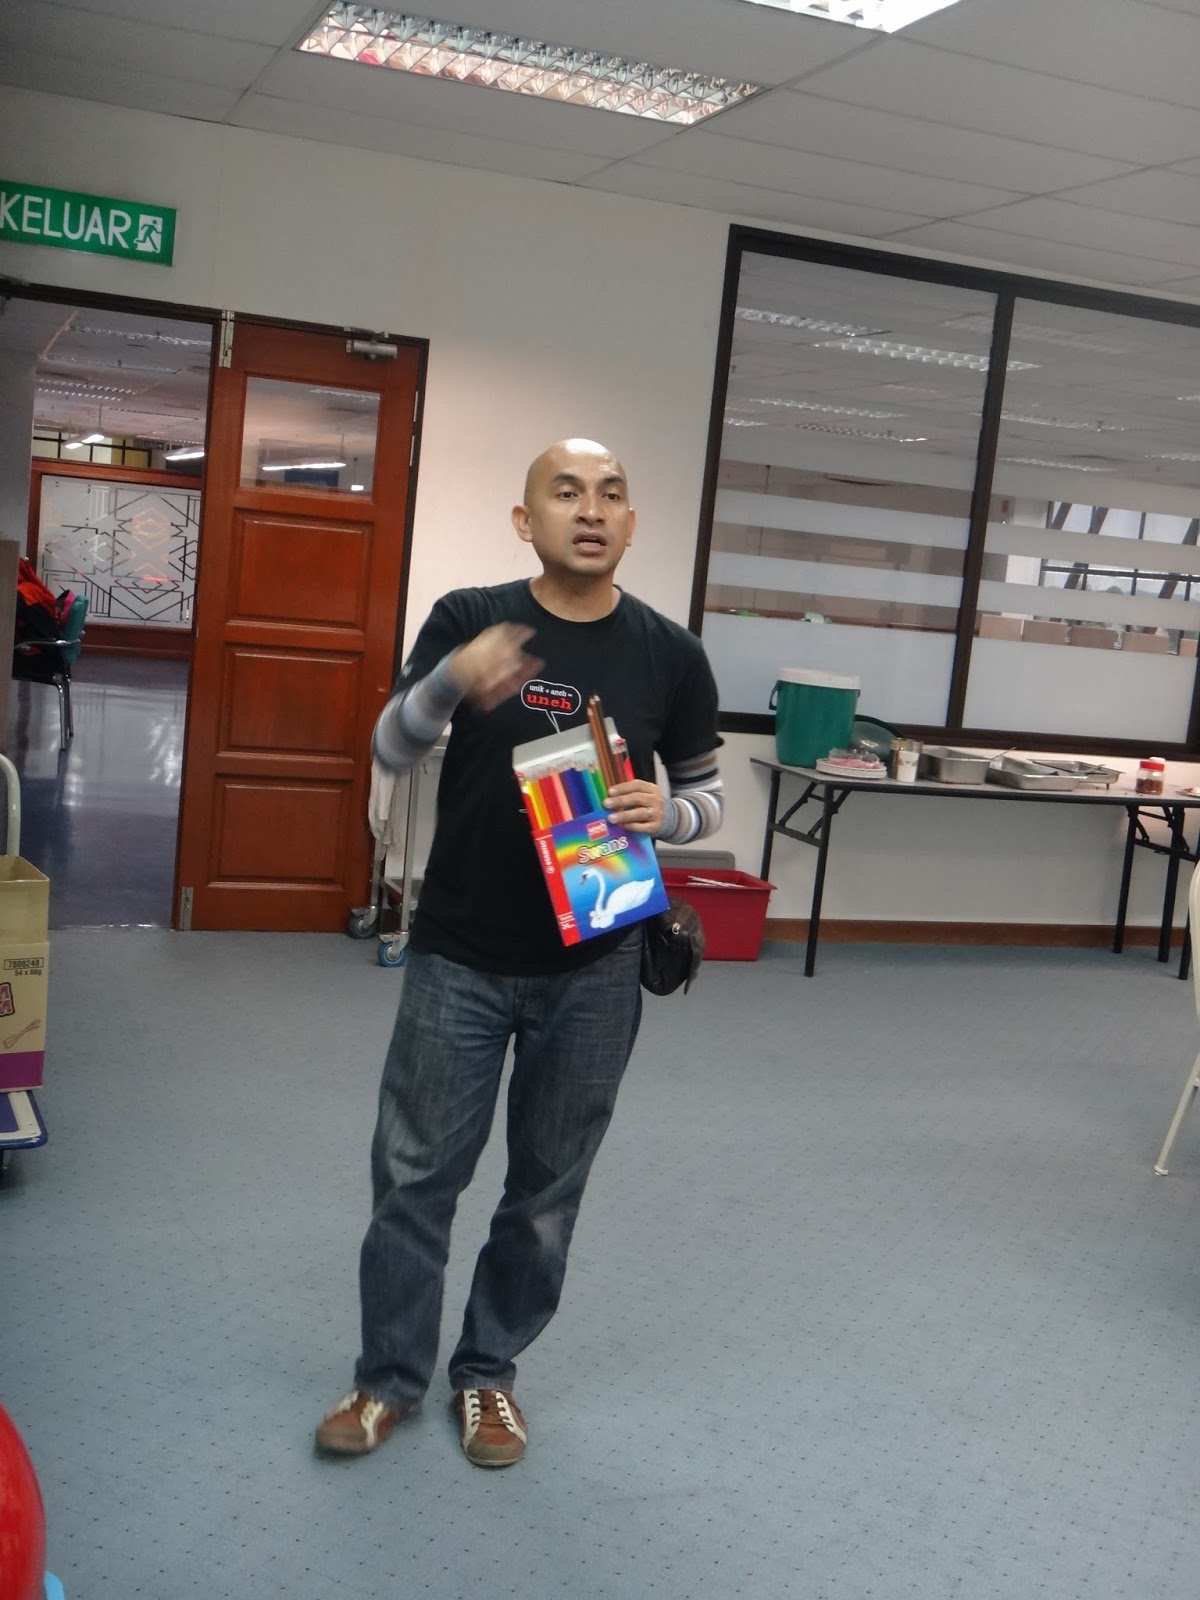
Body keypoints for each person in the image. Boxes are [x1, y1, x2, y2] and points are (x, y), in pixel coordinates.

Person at [315, 438, 723, 1468]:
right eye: (566, 491)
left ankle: (488, 1374)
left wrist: (668, 813)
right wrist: (450, 681)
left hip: (597, 967)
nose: (591, 510)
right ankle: (386, 1380)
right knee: (415, 1178)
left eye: (611, 494)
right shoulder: (470, 618)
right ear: (525, 518)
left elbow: (709, 796)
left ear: (631, 523)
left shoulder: (670, 654)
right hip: (459, 954)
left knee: (544, 1193)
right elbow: (393, 747)